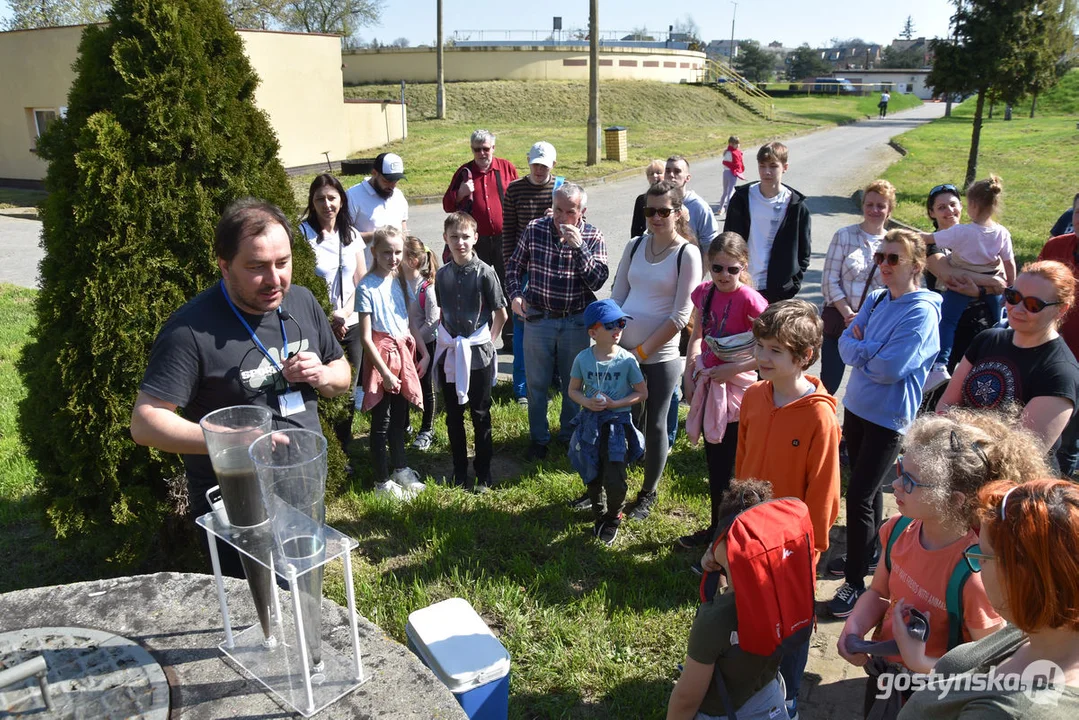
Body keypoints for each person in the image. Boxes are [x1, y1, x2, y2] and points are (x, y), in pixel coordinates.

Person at [130, 198, 352, 577]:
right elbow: (145, 423)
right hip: (235, 503)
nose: (275, 279)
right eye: (256, 267)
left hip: (301, 488)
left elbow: (342, 375)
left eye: (282, 263)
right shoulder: (189, 330)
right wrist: (234, 440)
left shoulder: (301, 300)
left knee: (303, 592)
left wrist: (324, 375)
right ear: (224, 265)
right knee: (259, 609)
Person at [839, 409, 1051, 718]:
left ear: (953, 499)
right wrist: (854, 627)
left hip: (936, 696)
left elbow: (987, 669)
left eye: (909, 481)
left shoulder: (976, 576)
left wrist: (920, 663)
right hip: (884, 675)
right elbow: (879, 593)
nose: (895, 485)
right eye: (899, 469)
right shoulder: (897, 529)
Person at [826, 229, 943, 619]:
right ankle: (870, 554)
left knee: (858, 495)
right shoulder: (876, 299)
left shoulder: (921, 311)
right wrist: (867, 350)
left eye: (894, 258)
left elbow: (892, 368)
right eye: (881, 257)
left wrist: (863, 350)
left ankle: (856, 583)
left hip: (888, 419)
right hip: (857, 407)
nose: (884, 265)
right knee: (868, 490)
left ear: (916, 264)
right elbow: (844, 344)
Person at [736, 299, 841, 718]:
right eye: (760, 346)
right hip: (748, 533)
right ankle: (749, 681)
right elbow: (741, 464)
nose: (762, 357)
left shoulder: (820, 418)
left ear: (804, 357)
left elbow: (825, 492)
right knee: (747, 610)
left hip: (793, 548)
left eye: (775, 350)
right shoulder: (755, 395)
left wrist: (810, 549)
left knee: (792, 626)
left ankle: (790, 694)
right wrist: (733, 521)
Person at [898, 478, 1079, 718]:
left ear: (1022, 576)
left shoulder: (1009, 713)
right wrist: (920, 661)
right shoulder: (1045, 626)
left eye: (982, 555)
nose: (976, 562)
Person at [611, 180, 703, 521]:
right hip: (624, 351)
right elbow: (618, 295)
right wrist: (613, 338)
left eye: (664, 211)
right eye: (650, 211)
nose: (656, 217)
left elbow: (681, 315)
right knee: (617, 420)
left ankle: (647, 493)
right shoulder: (635, 245)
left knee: (656, 425)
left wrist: (643, 352)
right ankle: (610, 485)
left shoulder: (686, 253)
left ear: (678, 213)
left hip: (660, 357)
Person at [667, 479, 790, 720]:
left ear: (724, 543)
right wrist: (717, 570)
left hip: (723, 710)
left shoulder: (716, 620)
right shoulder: (789, 592)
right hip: (770, 696)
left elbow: (686, 699)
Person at [937, 260, 1079, 468]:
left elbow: (1019, 455)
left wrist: (958, 432)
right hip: (957, 466)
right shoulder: (987, 339)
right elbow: (945, 406)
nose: (1017, 309)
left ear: (1060, 310)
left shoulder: (1060, 372)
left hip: (1009, 490)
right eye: (1013, 297)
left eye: (1033, 305)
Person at [506, 182, 609, 459]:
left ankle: (568, 435)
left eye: (570, 211)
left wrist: (579, 248)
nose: (562, 218)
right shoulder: (535, 228)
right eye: (558, 210)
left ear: (582, 211)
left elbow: (598, 280)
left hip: (575, 320)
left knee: (572, 384)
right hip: (539, 318)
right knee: (536, 383)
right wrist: (516, 296)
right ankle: (538, 438)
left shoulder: (592, 235)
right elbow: (514, 267)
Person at [679, 232, 767, 549]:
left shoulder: (752, 301)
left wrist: (734, 369)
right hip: (711, 381)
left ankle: (731, 536)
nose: (724, 276)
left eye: (732, 269)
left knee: (733, 467)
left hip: (740, 390)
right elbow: (697, 335)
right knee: (715, 463)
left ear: (743, 267)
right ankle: (717, 530)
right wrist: (691, 370)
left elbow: (770, 349)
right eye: (717, 268)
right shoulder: (704, 293)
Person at [434, 212, 508, 493]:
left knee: (480, 414)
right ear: (445, 239)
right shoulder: (442, 275)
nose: (460, 242)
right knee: (453, 415)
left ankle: (484, 471)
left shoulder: (485, 272)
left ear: (475, 237)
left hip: (477, 355)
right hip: (453, 352)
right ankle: (458, 468)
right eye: (454, 237)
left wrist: (488, 340)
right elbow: (442, 312)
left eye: (466, 236)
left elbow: (500, 313)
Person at [923, 175, 1016, 393]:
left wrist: (981, 288)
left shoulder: (964, 233)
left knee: (994, 335)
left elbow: (999, 278)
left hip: (978, 324)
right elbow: (950, 277)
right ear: (932, 213)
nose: (949, 211)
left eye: (953, 204)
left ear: (966, 206)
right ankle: (939, 367)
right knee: (941, 394)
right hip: (955, 329)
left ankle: (943, 366)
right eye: (941, 207)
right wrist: (993, 282)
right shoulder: (942, 242)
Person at [355, 225, 429, 498]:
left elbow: (409, 321)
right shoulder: (366, 286)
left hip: (403, 353)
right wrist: (384, 372)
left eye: (398, 252)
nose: (393, 258)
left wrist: (424, 352)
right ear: (374, 252)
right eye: (387, 252)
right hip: (381, 359)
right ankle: (382, 482)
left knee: (401, 418)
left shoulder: (399, 280)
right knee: (382, 422)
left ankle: (401, 468)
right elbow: (365, 337)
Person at [567, 299, 647, 546]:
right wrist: (587, 402)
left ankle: (613, 516)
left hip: (616, 424)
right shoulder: (583, 359)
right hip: (591, 423)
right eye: (611, 324)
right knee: (591, 470)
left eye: (621, 323)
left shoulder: (627, 360)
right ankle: (599, 514)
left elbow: (642, 393)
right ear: (593, 332)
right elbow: (573, 390)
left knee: (615, 476)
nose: (618, 329)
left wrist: (617, 403)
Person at [298, 174, 368, 451]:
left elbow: (361, 280)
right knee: (318, 385)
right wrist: (328, 317)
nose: (326, 204)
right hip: (316, 324)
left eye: (331, 198)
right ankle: (320, 445)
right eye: (319, 199)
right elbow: (301, 282)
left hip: (349, 323)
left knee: (346, 388)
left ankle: (343, 447)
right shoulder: (303, 235)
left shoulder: (351, 235)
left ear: (341, 200)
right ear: (312, 203)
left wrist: (345, 313)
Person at [818, 180, 893, 394]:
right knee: (829, 384)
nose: (874, 210)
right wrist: (849, 315)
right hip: (839, 320)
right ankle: (824, 424)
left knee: (869, 386)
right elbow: (829, 281)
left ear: (889, 210)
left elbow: (894, 288)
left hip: (876, 325)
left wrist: (865, 318)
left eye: (881, 205)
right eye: (870, 204)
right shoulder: (844, 235)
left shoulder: (893, 243)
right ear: (863, 206)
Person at [502, 141, 561, 403]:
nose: (539, 169)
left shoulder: (561, 188)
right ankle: (522, 388)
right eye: (535, 164)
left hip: (554, 269)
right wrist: (510, 273)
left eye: (544, 165)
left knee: (554, 328)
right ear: (528, 162)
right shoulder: (514, 190)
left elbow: (578, 224)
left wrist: (557, 219)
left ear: (553, 165)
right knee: (523, 327)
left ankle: (553, 383)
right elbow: (509, 232)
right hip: (524, 269)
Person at [442, 130, 519, 319]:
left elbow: (519, 196)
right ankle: (482, 330)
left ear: (493, 148)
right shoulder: (463, 172)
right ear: (472, 150)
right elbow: (447, 205)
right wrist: (460, 193)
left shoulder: (507, 168)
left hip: (505, 238)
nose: (482, 153)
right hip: (475, 240)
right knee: (477, 285)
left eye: (485, 149)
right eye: (477, 150)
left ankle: (509, 335)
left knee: (508, 284)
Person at [723, 141, 812, 304]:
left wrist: (792, 283)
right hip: (742, 282)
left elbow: (803, 252)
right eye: (762, 166)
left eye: (773, 166)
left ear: (785, 167)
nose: (767, 171)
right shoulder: (742, 199)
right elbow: (728, 240)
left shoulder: (796, 206)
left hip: (778, 289)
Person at [1038, 192, 1079, 473]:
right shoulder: (1057, 247)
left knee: (1070, 442)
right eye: (1078, 212)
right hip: (1050, 357)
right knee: (1046, 437)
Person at [399, 236, 440, 452]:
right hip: (402, 346)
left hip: (426, 346)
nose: (395, 257)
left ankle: (427, 429)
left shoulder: (426, 287)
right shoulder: (396, 282)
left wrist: (414, 341)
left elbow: (433, 321)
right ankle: (404, 425)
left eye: (400, 254)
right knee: (403, 386)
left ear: (413, 260)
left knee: (427, 389)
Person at [347, 152, 409, 259]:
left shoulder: (398, 196)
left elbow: (404, 229)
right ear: (374, 173)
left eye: (396, 181)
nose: (392, 186)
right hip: (366, 270)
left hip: (396, 271)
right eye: (387, 181)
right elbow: (344, 235)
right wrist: (378, 237)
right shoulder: (353, 196)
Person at [664, 155, 719, 255]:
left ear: (687, 178)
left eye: (677, 171)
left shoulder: (699, 207)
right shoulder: (658, 204)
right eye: (668, 171)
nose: (671, 175)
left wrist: (702, 270)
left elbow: (710, 246)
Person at [630, 158, 666, 238]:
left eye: (659, 172)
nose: (655, 176)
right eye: (651, 174)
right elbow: (635, 228)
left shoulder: (672, 199)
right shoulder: (641, 200)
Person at [718, 136, 746, 217]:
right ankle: (728, 210)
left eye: (738, 143)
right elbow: (735, 164)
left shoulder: (727, 152)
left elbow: (725, 162)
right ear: (731, 144)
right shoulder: (733, 153)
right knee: (730, 192)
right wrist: (736, 168)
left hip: (726, 172)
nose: (738, 145)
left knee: (725, 191)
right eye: (736, 144)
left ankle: (720, 208)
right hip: (732, 173)